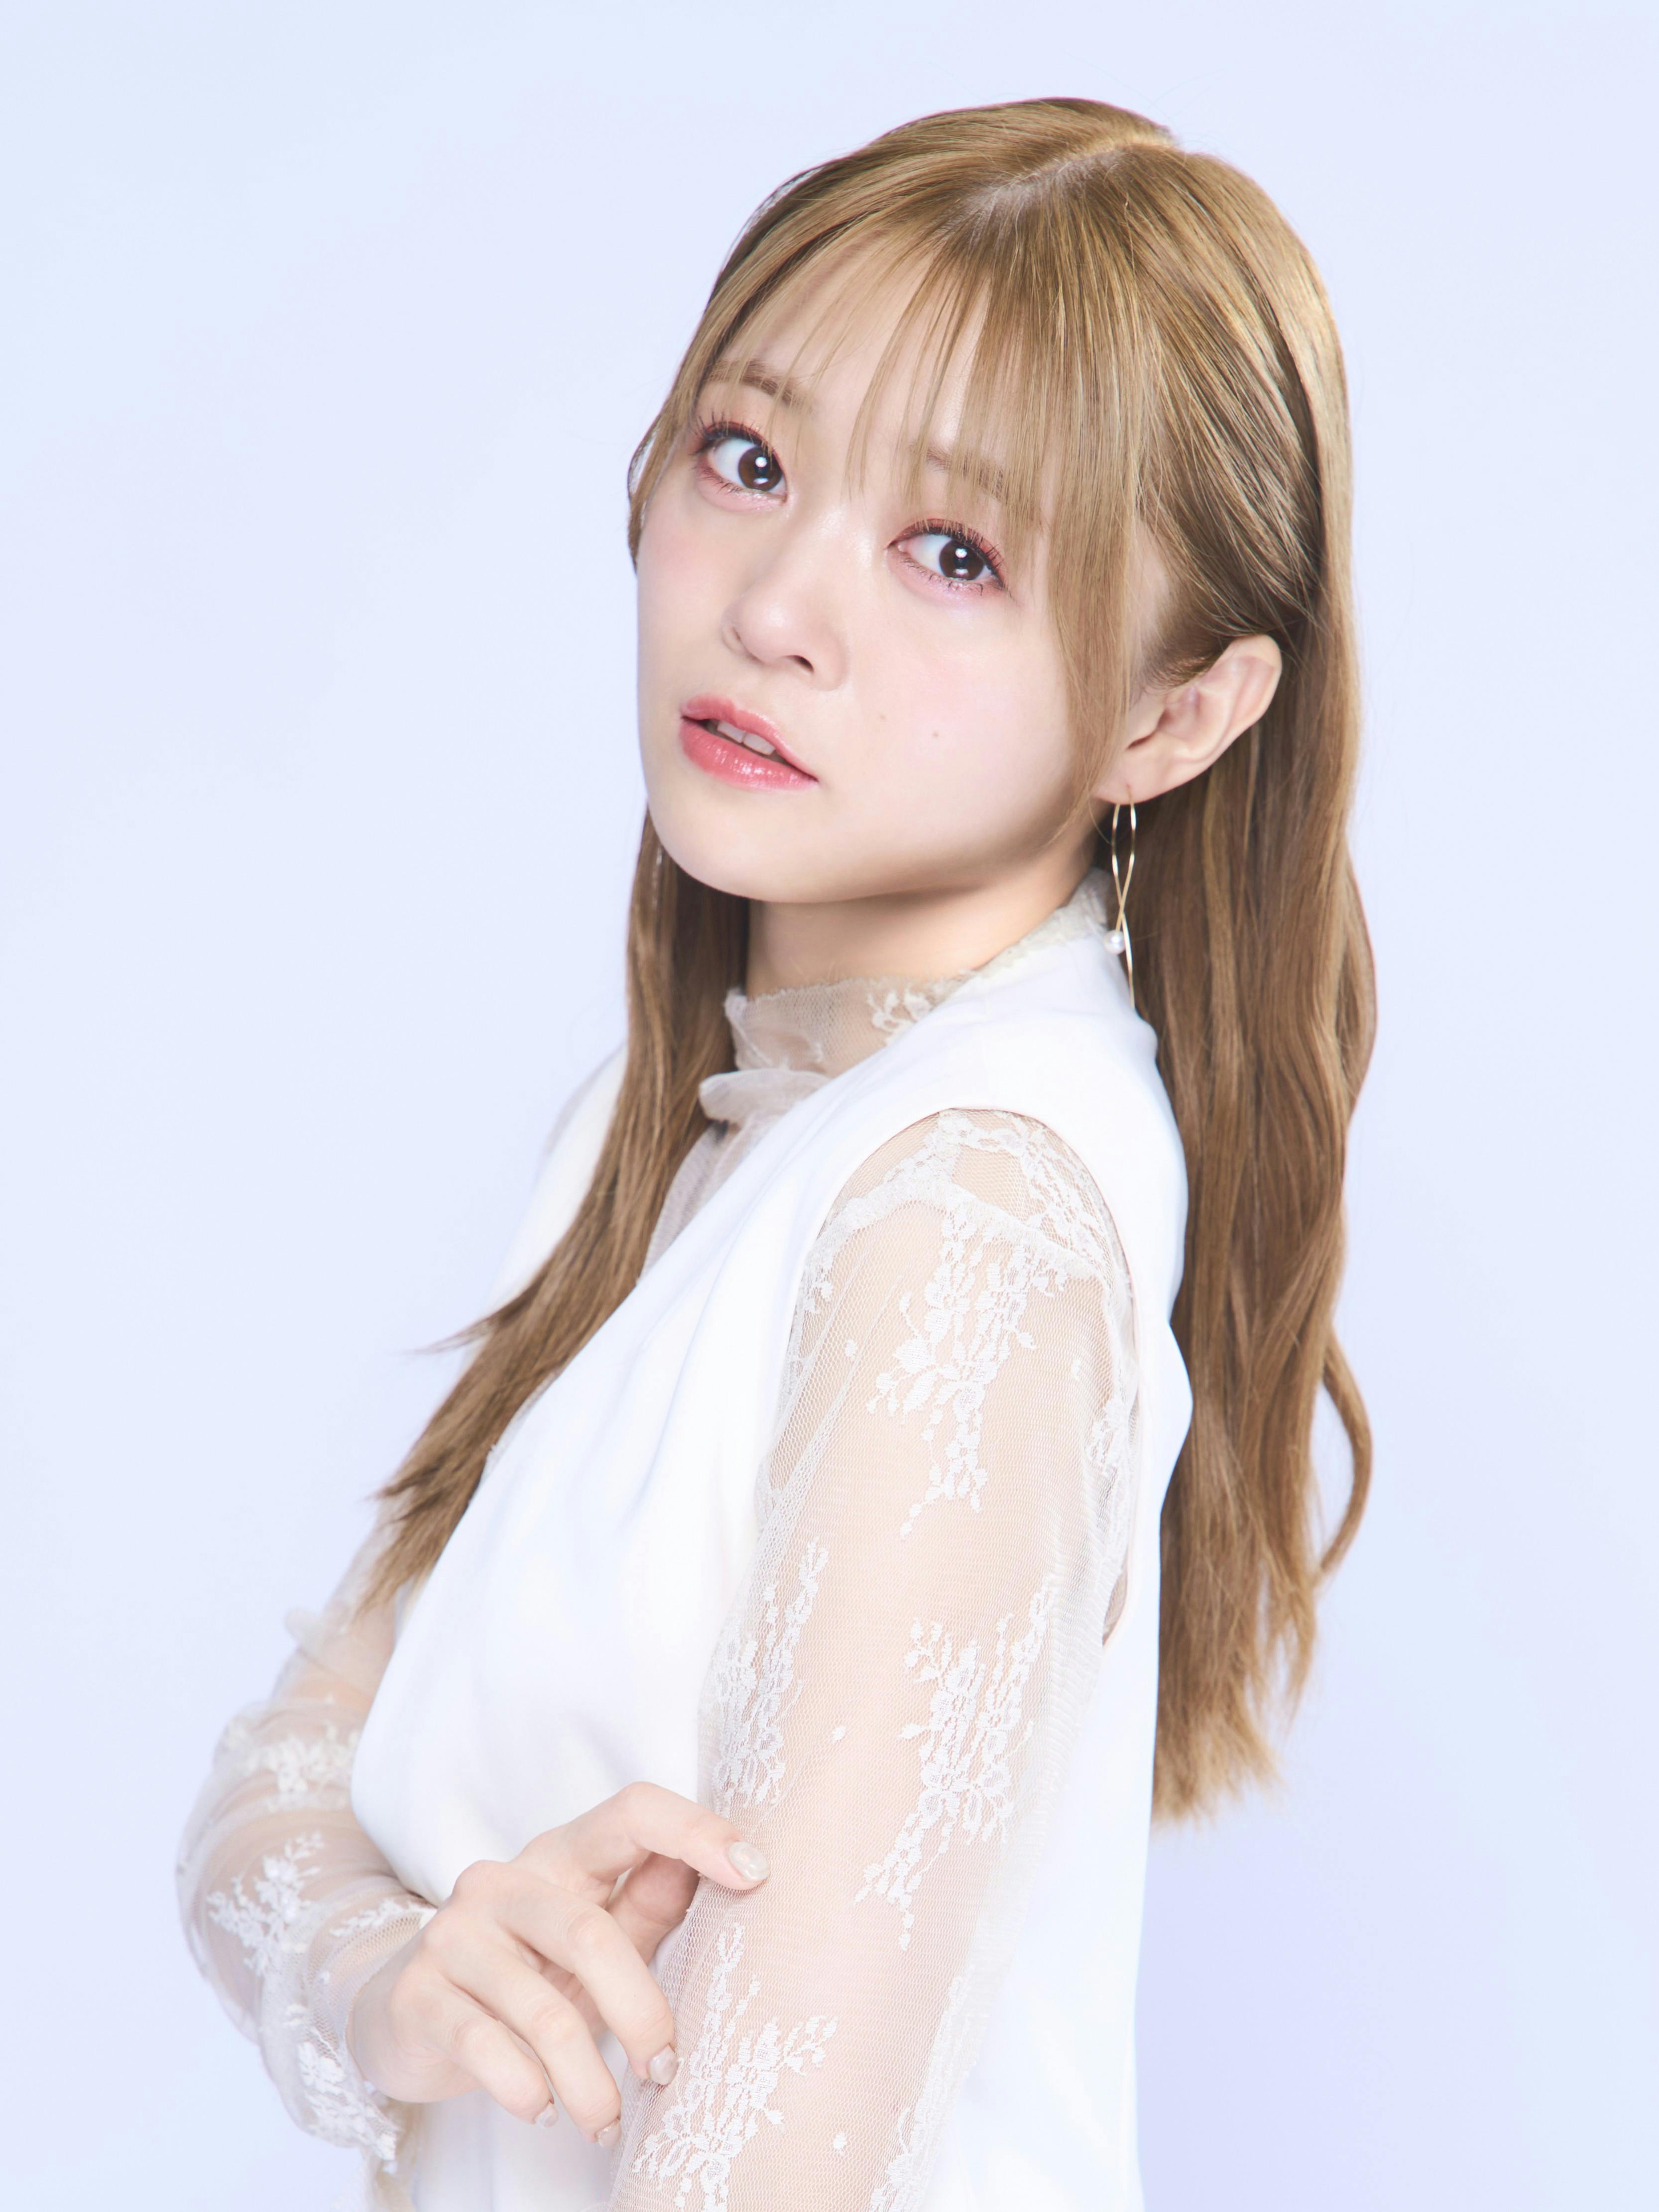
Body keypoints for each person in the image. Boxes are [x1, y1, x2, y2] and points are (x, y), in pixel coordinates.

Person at [178, 95, 1375, 2212]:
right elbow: (280, 1777)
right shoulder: (689, 1134)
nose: (776, 604)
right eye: (747, 460)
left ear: (1171, 716)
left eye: (953, 553)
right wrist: (401, 1971)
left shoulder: (963, 1214)